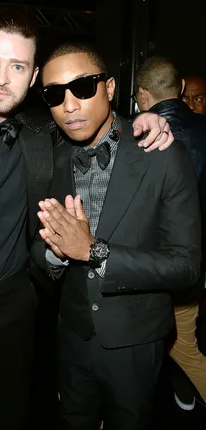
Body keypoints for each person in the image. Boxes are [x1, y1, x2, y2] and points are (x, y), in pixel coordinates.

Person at [0, 11, 174, 430]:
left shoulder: (43, 133)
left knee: (17, 411)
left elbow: (95, 123)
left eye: (17, 66)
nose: (2, 78)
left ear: (33, 75)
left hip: (19, 309)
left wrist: (145, 120)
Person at [32, 42, 201, 430]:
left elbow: (187, 266)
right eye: (55, 94)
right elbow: (34, 249)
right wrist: (56, 253)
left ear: (109, 88)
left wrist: (95, 252)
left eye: (83, 88)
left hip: (136, 342)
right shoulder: (50, 158)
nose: (69, 105)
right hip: (72, 335)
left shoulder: (161, 152)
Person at [135, 55, 206, 410]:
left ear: (142, 97)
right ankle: (180, 392)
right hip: (192, 264)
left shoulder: (137, 138)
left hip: (149, 268)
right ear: (179, 89)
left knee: (174, 347)